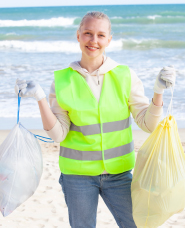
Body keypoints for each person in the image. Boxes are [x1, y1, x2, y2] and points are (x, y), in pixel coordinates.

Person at [15, 11, 176, 228]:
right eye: (88, 33)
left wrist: (158, 93)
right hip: (77, 177)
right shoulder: (63, 81)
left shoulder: (125, 75)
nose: (94, 40)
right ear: (78, 35)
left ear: (109, 39)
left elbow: (148, 125)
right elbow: (57, 135)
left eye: (100, 35)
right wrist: (40, 98)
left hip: (119, 174)